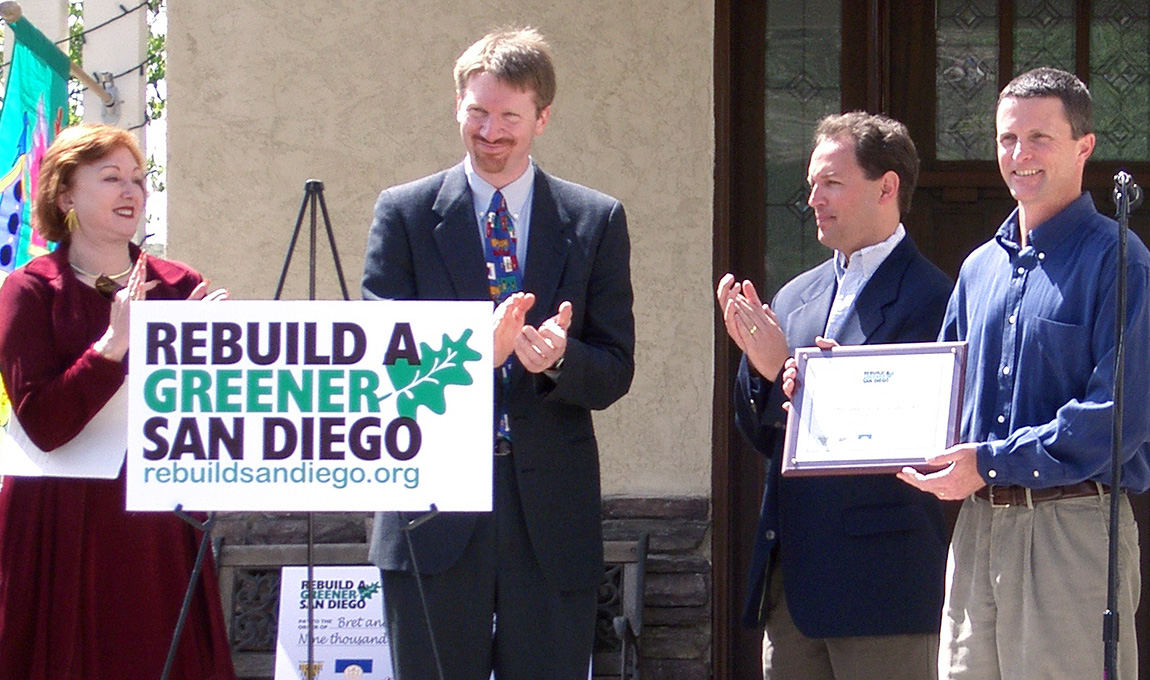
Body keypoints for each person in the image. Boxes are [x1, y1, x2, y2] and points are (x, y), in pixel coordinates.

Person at [361, 28, 634, 679]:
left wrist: (559, 361)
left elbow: (615, 368)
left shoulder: (594, 219)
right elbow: (376, 359)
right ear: (457, 107)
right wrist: (467, 358)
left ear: (542, 117)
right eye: (478, 112)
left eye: (509, 115)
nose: (491, 132)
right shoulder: (404, 213)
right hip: (431, 509)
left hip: (549, 514)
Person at [897, 68, 1150, 680]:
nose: (1019, 154)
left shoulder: (1120, 260)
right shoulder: (979, 268)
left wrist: (990, 462)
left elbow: (1117, 418)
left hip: (1071, 531)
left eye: (1040, 137)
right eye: (1008, 138)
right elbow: (939, 396)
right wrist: (828, 389)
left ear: (1084, 147)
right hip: (978, 529)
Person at [718, 112, 951, 680]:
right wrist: (762, 371)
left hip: (882, 588)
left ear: (887, 187)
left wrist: (793, 373)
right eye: (811, 185)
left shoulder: (935, 298)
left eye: (832, 183)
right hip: (793, 586)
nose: (813, 200)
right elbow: (763, 435)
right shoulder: (796, 295)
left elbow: (908, 435)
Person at [0, 124, 235, 679]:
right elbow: (44, 425)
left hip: (155, 526)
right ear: (65, 196)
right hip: (59, 520)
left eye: (138, 179)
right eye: (111, 179)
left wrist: (217, 353)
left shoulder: (180, 286)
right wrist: (113, 346)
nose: (132, 191)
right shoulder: (30, 291)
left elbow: (210, 414)